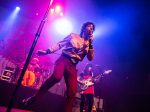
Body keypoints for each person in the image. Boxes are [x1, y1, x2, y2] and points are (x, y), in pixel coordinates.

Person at [22, 21, 95, 112]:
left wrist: (91, 44)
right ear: (84, 28)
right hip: (64, 60)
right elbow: (59, 44)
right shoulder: (73, 36)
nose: (91, 28)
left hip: (73, 66)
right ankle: (36, 97)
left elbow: (90, 58)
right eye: (89, 26)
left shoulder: (89, 44)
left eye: (92, 28)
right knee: (57, 77)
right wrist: (47, 51)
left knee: (72, 92)